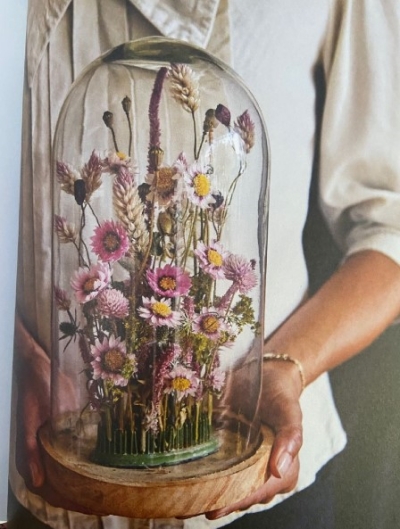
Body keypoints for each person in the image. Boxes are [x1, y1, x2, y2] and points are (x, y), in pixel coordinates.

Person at [9, 0, 400, 528]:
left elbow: (389, 224)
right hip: (38, 478)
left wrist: (283, 368)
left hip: (261, 485)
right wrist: (11, 356)